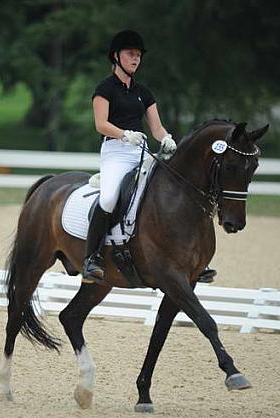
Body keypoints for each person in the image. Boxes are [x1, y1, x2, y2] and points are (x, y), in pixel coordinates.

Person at [82, 29, 177, 283]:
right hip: (115, 152)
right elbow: (100, 124)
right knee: (110, 197)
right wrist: (124, 134)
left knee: (166, 192)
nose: (135, 59)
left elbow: (156, 127)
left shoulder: (143, 92)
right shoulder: (105, 88)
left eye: (138, 55)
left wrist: (166, 138)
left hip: (141, 151)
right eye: (130, 54)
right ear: (116, 56)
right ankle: (92, 258)